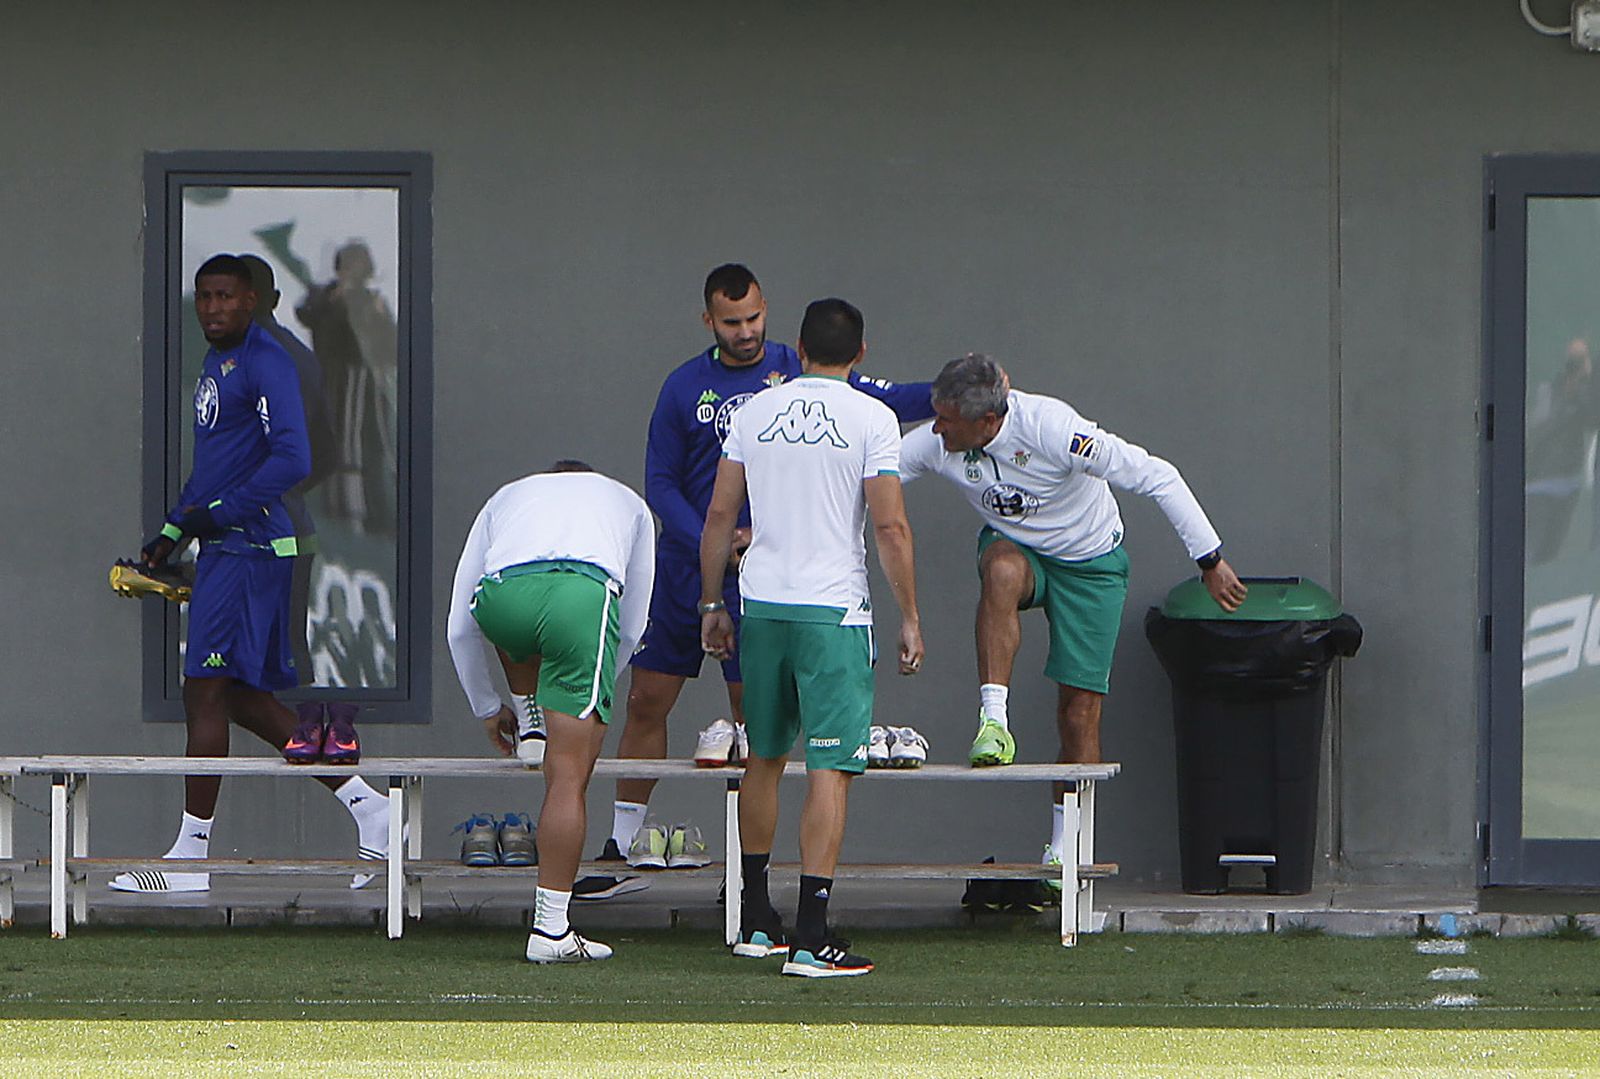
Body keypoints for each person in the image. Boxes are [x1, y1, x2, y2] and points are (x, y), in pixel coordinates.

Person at [580, 263, 934, 901]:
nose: (745, 333)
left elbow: (896, 395)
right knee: (645, 700)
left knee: (757, 728)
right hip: (693, 565)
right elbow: (660, 482)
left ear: (769, 312)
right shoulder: (684, 386)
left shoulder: (797, 369)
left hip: (763, 583)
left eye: (754, 319)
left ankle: (746, 880)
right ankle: (622, 840)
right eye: (731, 322)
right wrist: (715, 543)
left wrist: (968, 392)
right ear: (707, 320)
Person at [898, 353, 1247, 878]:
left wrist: (1211, 561)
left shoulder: (1053, 429)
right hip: (1019, 551)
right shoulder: (937, 443)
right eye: (937, 416)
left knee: (1078, 715)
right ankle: (994, 721)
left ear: (989, 421)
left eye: (947, 421)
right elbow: (866, 483)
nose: (936, 429)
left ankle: (1066, 849)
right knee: (1000, 571)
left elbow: (1160, 476)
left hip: (1090, 563)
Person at [115, 253, 392, 894]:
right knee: (240, 696)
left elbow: (293, 457)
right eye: (204, 297)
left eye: (226, 297)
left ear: (253, 302)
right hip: (227, 545)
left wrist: (218, 515)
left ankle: (191, 860)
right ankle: (370, 808)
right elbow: (216, 465)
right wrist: (176, 530)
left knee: (205, 690)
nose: (213, 308)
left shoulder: (267, 360)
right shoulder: (219, 362)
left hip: (253, 547)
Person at [700, 298, 923, 978]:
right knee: (830, 765)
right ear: (862, 352)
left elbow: (718, 514)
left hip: (762, 604)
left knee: (762, 758)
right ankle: (812, 934)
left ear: (797, 348)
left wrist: (713, 602)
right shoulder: (873, 417)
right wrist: (910, 614)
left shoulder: (753, 412)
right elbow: (889, 527)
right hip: (833, 613)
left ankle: (758, 920)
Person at [446, 461, 655, 963]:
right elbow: (632, 623)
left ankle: (527, 710)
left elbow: (460, 623)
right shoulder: (629, 502)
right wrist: (598, 682)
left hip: (505, 598)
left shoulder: (507, 494)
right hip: (581, 598)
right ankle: (551, 931)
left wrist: (486, 707)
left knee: (517, 626)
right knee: (568, 777)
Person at [238, 255, 361, 761]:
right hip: (287, 525)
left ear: (265, 301)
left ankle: (333, 770)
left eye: (232, 297)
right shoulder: (293, 356)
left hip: (264, 532)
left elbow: (319, 452)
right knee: (283, 646)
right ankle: (319, 748)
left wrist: (267, 496)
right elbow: (326, 455)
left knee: (261, 656)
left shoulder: (264, 360)